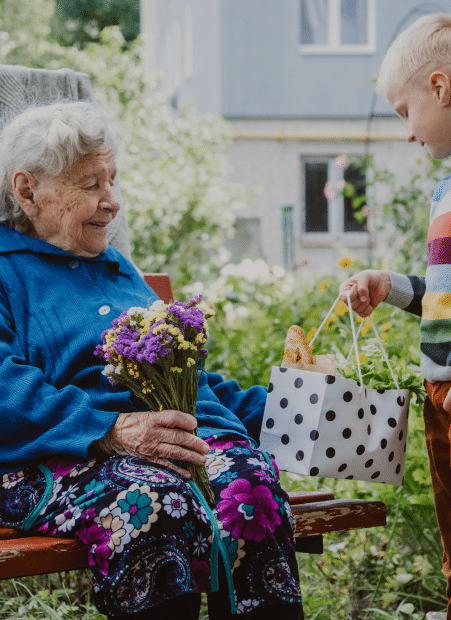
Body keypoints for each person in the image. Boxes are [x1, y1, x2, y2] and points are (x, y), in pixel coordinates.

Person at [0, 101, 303, 620]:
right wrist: (110, 429)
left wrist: (299, 408)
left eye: (112, 180)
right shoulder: (8, 273)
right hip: (62, 454)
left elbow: (191, 385)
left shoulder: (119, 272)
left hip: (174, 445)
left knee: (248, 488)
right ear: (28, 191)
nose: (112, 202)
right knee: (154, 503)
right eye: (91, 184)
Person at [339, 12, 451, 619]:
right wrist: (392, 285)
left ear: (441, 87)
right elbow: (445, 294)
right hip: (440, 396)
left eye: (406, 112)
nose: (407, 132)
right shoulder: (445, 190)